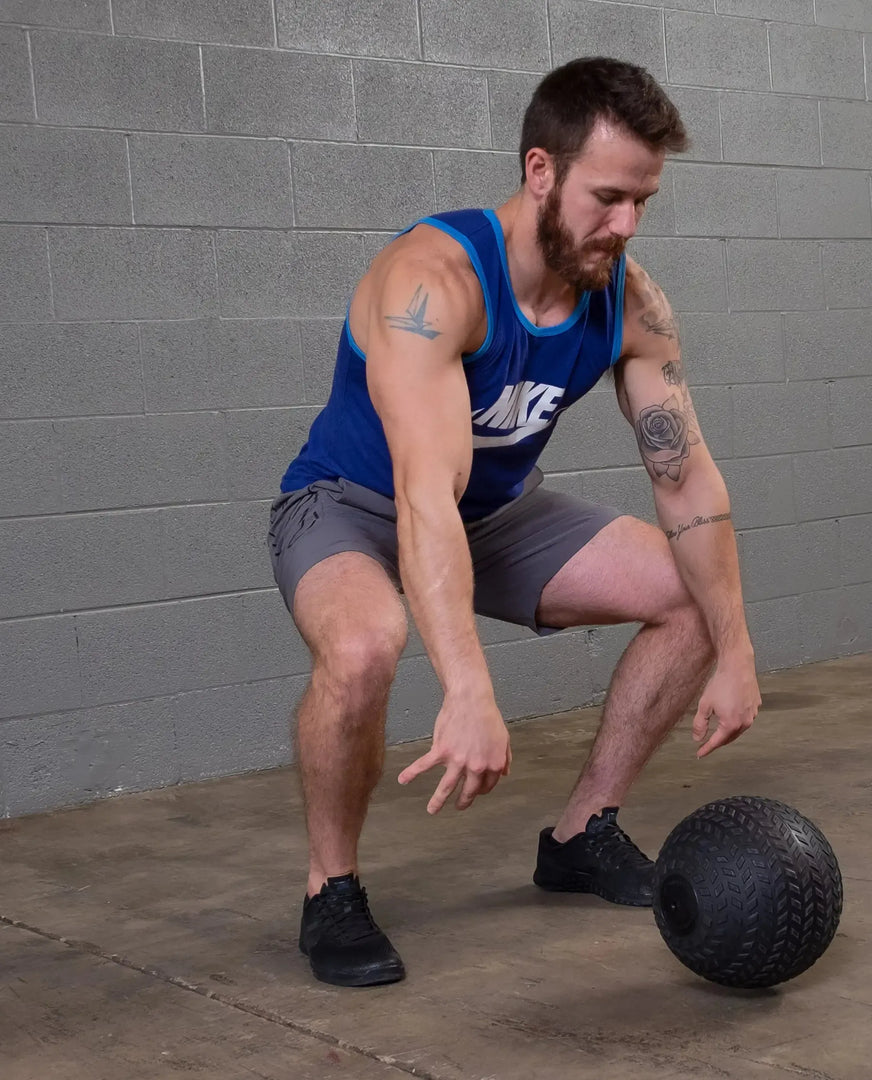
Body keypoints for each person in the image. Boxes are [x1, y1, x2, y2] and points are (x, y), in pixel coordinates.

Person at [267, 56, 761, 988]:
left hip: (491, 513)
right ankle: (330, 887)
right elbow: (423, 493)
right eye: (607, 198)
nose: (626, 226)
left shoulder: (630, 303)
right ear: (541, 170)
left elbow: (689, 481)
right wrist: (467, 687)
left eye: (643, 201)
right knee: (366, 645)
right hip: (351, 502)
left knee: (694, 595)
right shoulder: (433, 282)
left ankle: (581, 835)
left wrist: (735, 650)